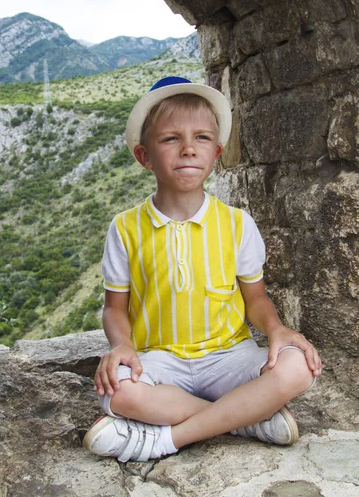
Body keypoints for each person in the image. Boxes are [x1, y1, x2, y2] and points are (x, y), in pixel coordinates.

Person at [82, 76, 322, 462]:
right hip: (159, 358)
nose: (189, 149)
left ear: (217, 153)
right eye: (170, 139)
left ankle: (163, 440)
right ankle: (246, 417)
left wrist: (277, 330)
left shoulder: (237, 223)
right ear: (144, 156)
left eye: (202, 139)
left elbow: (255, 299)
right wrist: (122, 347)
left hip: (229, 356)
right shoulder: (125, 228)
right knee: (118, 392)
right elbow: (115, 307)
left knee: (298, 368)